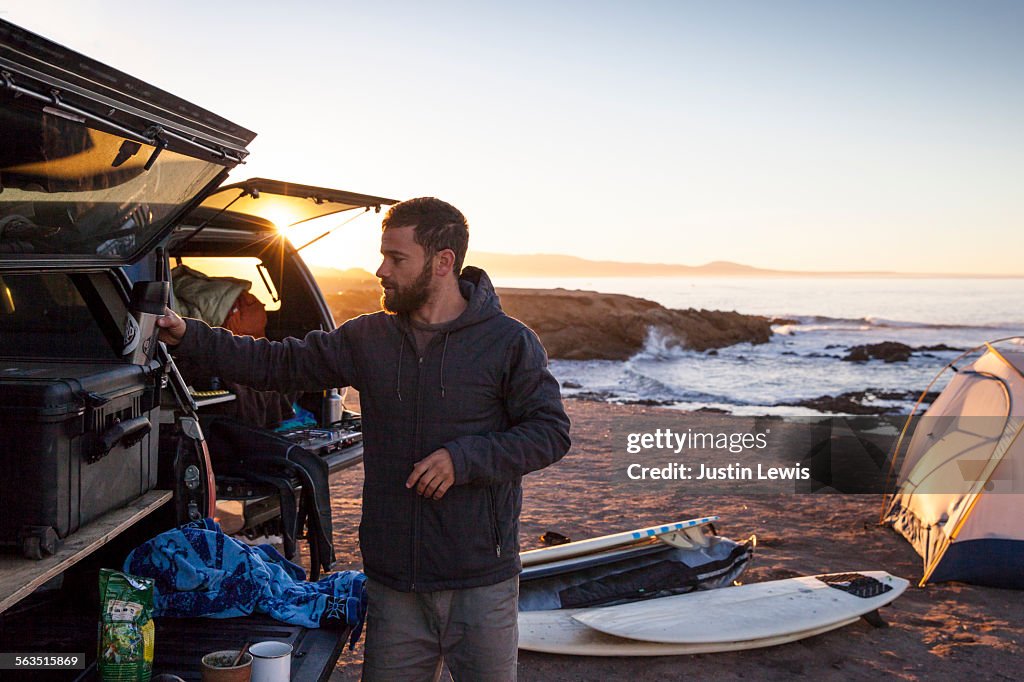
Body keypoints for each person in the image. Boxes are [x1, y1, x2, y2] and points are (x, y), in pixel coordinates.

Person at [157, 197, 571, 681]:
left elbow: (550, 432)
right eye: (383, 255)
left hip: (479, 581)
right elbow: (277, 363)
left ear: (443, 262)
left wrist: (465, 459)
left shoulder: (508, 342)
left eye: (397, 259)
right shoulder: (368, 338)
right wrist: (189, 334)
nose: (381, 270)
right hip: (392, 584)